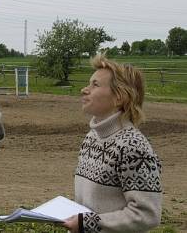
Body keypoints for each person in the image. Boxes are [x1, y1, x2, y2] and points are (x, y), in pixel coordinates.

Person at [62, 55, 162, 233]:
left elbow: (147, 215)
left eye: (95, 85)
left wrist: (88, 224)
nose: (84, 90)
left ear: (119, 98)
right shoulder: (91, 138)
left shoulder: (133, 147)